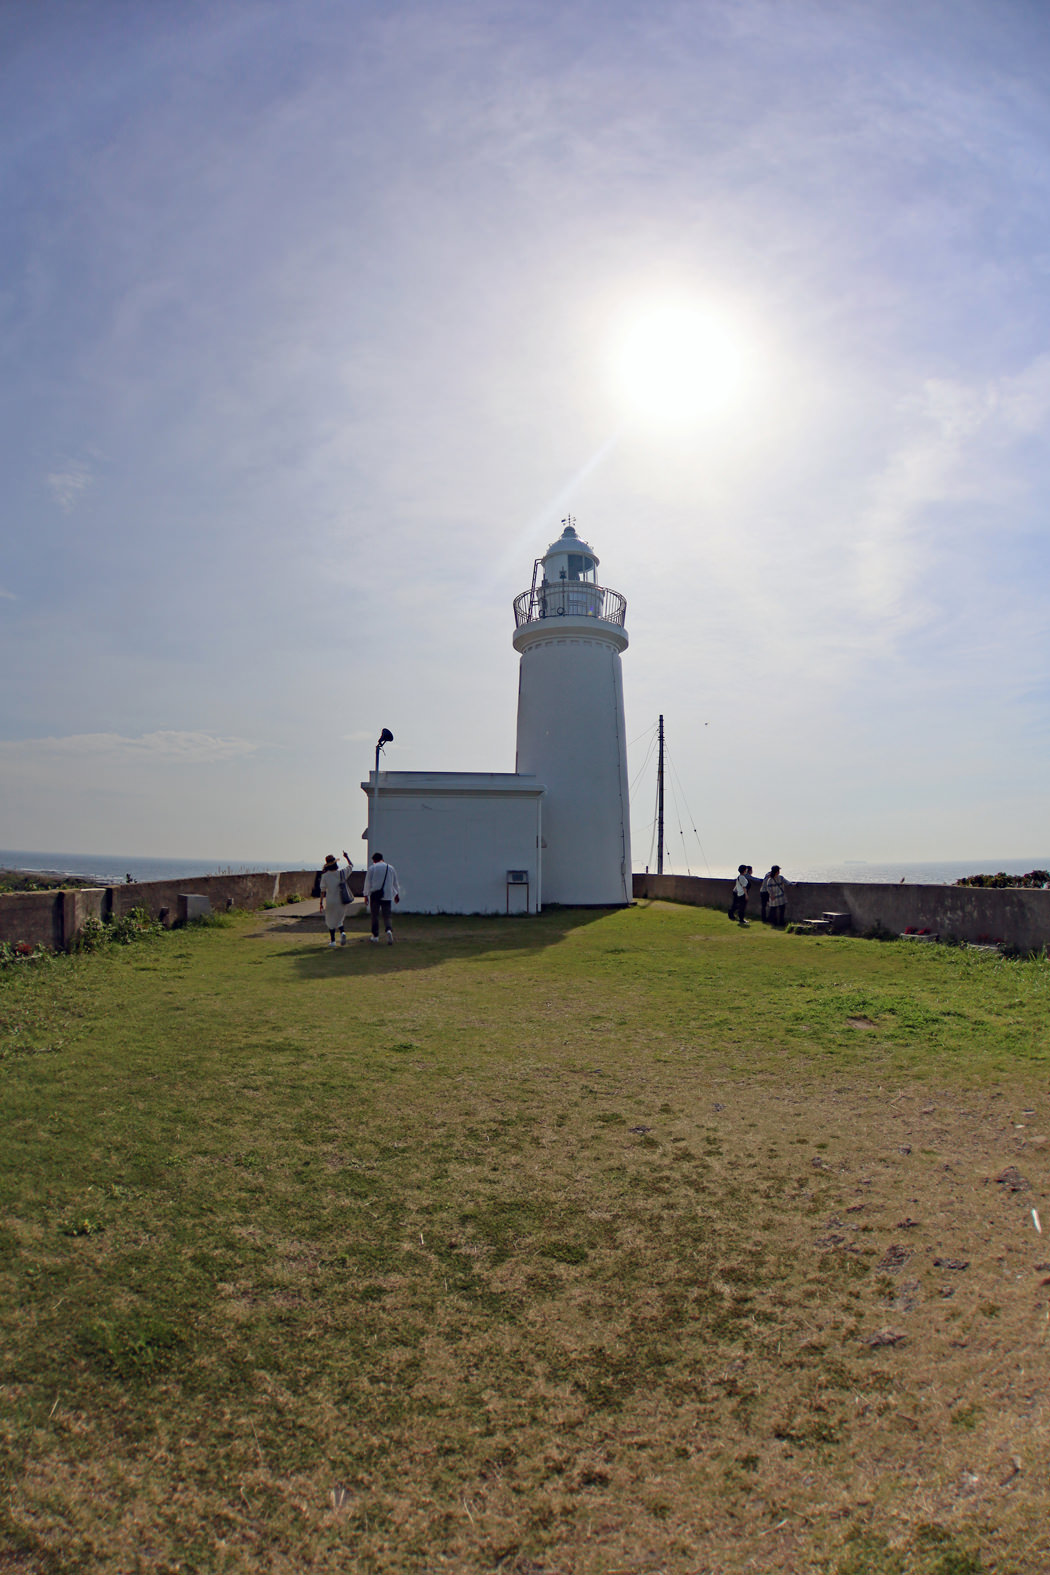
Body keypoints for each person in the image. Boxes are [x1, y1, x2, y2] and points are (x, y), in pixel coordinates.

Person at [318, 851, 354, 947]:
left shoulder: (325, 876)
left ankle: (333, 941)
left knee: (330, 920)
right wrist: (346, 857)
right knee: (339, 919)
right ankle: (342, 932)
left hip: (331, 900)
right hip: (341, 900)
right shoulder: (342, 873)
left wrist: (321, 903)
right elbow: (351, 866)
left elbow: (322, 891)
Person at [363, 851, 400, 944]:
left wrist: (366, 895)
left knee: (375, 915)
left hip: (375, 895)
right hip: (387, 895)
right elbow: (395, 883)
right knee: (387, 915)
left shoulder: (372, 868)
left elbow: (367, 883)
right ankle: (388, 930)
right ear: (382, 859)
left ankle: (375, 936)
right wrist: (396, 894)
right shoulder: (390, 868)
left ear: (374, 860)